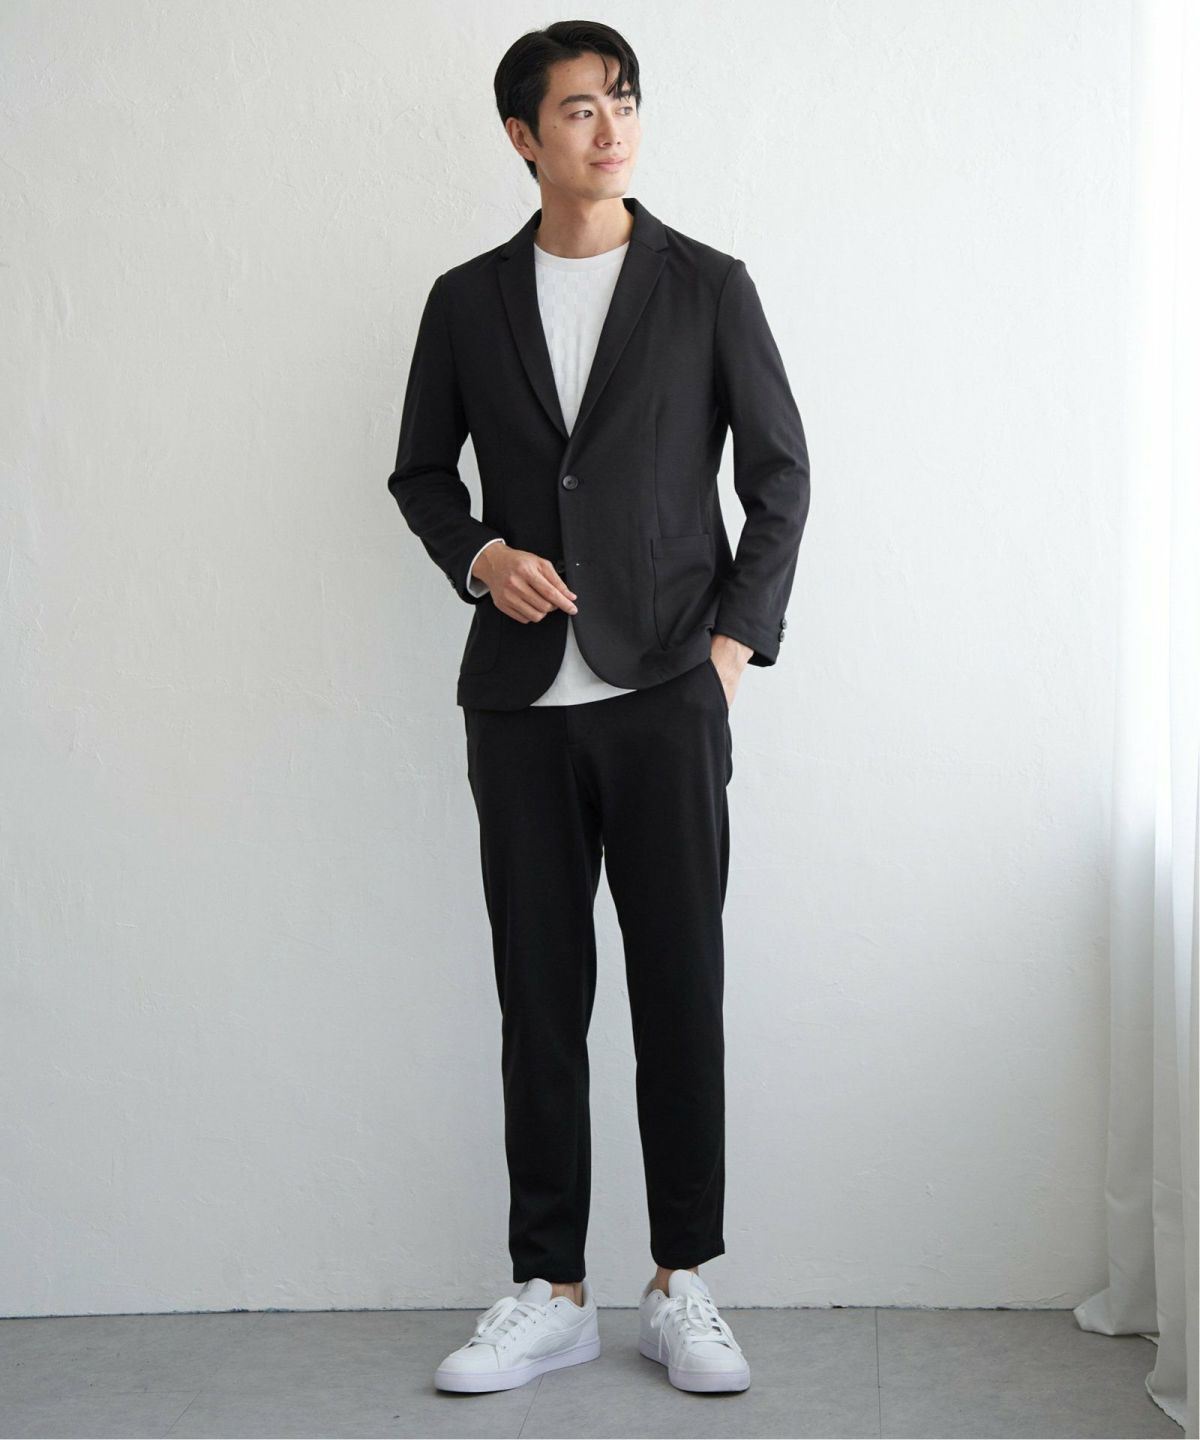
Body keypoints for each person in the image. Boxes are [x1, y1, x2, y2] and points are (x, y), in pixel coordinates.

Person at [386, 19, 810, 1397]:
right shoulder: (466, 300)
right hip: (520, 705)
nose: (610, 126)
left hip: (668, 690)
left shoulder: (707, 286)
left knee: (680, 984)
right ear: (524, 136)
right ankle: (551, 1289)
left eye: (623, 101)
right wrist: (480, 557)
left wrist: (732, 649)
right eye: (578, 108)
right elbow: (421, 475)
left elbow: (781, 477)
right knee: (539, 995)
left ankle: (683, 1282)